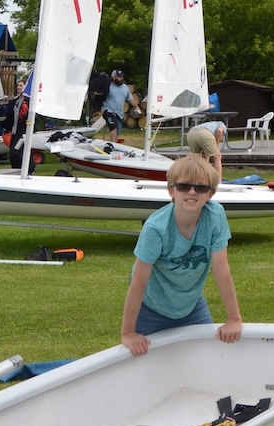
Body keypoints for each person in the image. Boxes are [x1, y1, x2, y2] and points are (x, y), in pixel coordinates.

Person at [120, 154, 242, 357]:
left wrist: (234, 318)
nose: (192, 192)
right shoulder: (155, 228)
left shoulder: (215, 216)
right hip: (150, 307)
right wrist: (128, 332)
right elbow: (139, 281)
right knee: (147, 364)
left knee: (207, 357)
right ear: (171, 190)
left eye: (201, 187)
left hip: (191, 306)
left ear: (210, 194)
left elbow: (221, 269)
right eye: (184, 186)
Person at [102, 70, 134, 141]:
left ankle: (114, 145)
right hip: (108, 110)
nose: (121, 78)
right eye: (119, 77)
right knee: (113, 127)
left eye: (122, 76)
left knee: (118, 131)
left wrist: (136, 106)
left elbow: (130, 99)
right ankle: (113, 145)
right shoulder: (108, 86)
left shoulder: (125, 88)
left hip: (119, 113)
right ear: (113, 78)